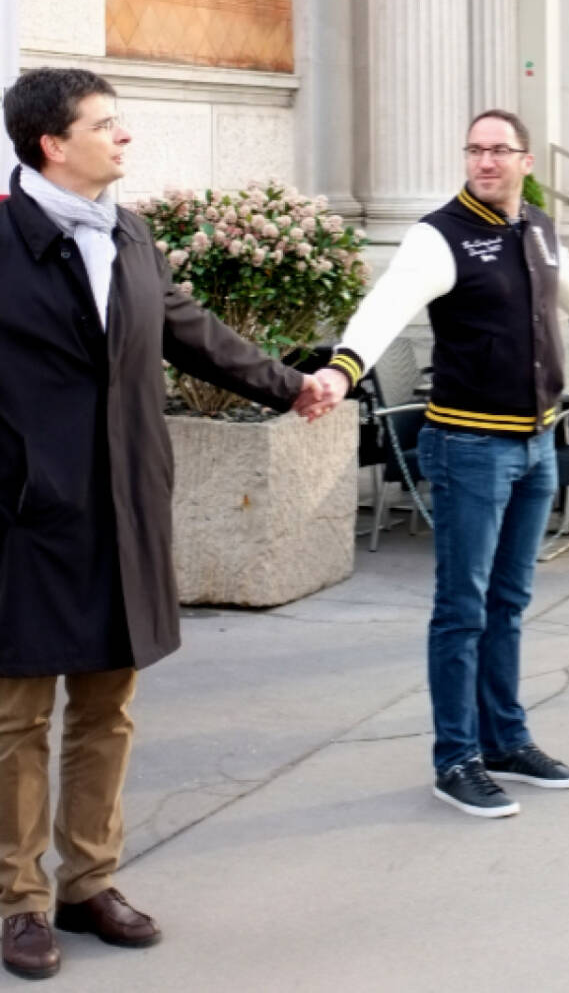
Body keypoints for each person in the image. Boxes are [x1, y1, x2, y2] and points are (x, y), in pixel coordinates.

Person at [0, 67, 336, 980]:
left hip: (122, 509)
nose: (124, 137)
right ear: (51, 145)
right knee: (18, 716)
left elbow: (190, 331)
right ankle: (19, 900)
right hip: (26, 520)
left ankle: (88, 881)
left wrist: (291, 382)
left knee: (108, 706)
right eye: (105, 124)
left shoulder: (130, 234)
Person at [313, 108, 569, 818]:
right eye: (475, 150)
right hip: (468, 446)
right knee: (462, 610)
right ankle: (455, 757)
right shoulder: (440, 235)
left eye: (499, 151)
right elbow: (385, 305)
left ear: (526, 160)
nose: (485, 161)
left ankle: (506, 740)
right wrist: (342, 369)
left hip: (534, 441)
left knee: (509, 603)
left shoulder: (539, 229)